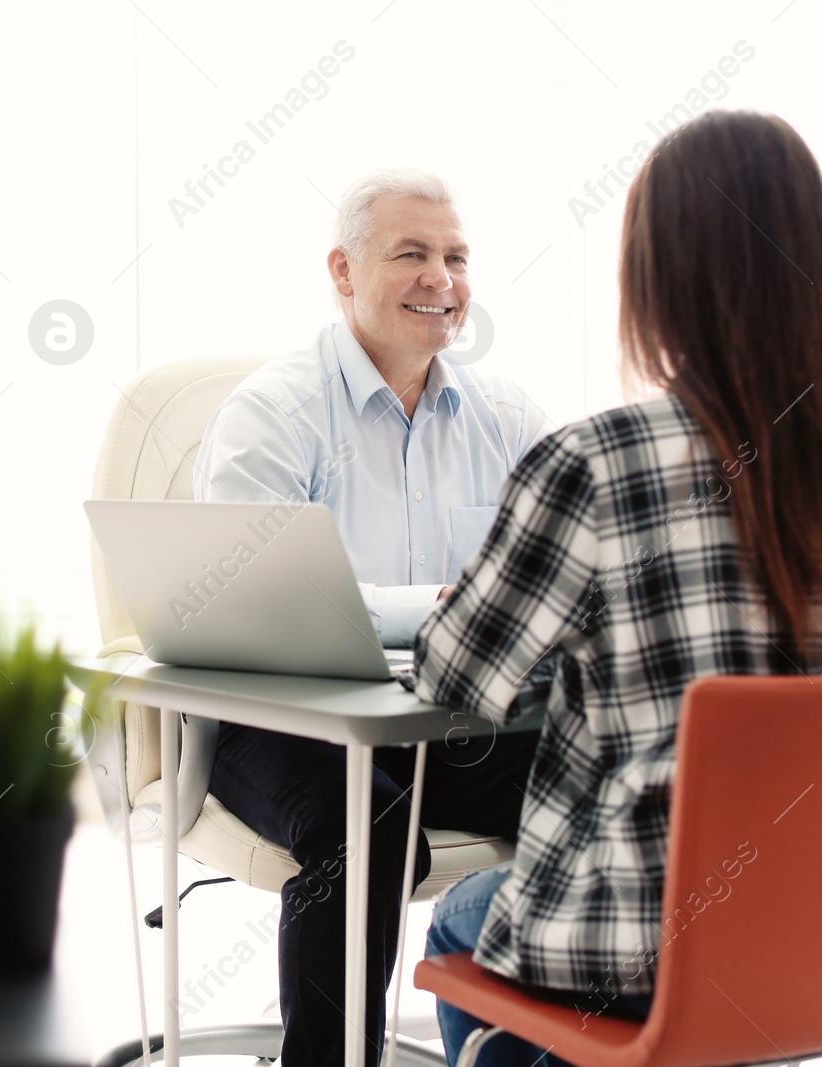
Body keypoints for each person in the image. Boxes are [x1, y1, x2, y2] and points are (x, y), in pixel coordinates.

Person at [417, 111, 822, 1067]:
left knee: (462, 920)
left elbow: (456, 680)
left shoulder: (595, 461)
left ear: (658, 273)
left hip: (646, 926)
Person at [191, 169, 545, 1067]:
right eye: (412, 254)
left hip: (441, 715)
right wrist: (439, 607)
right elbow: (259, 600)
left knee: (605, 771)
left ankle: (541, 1042)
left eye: (457, 257)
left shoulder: (507, 417)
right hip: (279, 711)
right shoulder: (273, 413)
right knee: (369, 820)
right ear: (343, 271)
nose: (443, 279)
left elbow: (547, 576)